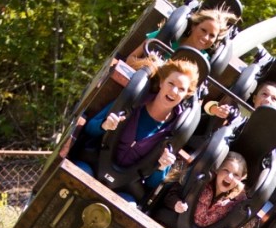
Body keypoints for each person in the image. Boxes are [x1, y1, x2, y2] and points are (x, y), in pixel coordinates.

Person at [76, 57, 201, 202]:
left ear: (186, 95)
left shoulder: (176, 130)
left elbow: (152, 183)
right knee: (77, 180)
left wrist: (161, 167)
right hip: (95, 162)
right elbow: (90, 129)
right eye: (171, 83)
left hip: (126, 185)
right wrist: (104, 126)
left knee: (126, 208)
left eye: (181, 89)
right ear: (161, 82)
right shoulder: (134, 101)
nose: (174, 91)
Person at [156, 152, 250, 228]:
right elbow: (172, 194)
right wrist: (176, 203)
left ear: (241, 178)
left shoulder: (240, 200)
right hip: (179, 223)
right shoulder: (201, 179)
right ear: (218, 169)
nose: (229, 177)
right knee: (164, 216)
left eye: (235, 174)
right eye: (225, 170)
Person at [125, 7, 237, 69]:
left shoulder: (203, 61)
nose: (205, 37)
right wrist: (150, 63)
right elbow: (130, 60)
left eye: (212, 35)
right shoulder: (166, 36)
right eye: (203, 30)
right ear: (194, 26)